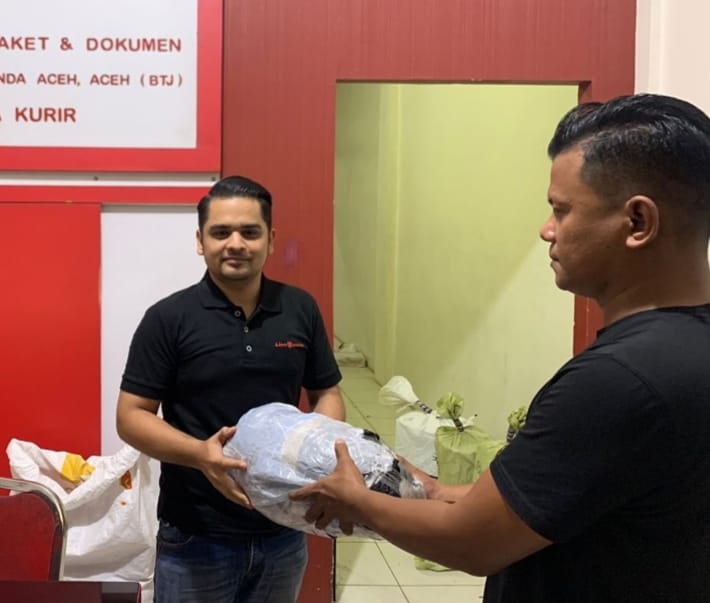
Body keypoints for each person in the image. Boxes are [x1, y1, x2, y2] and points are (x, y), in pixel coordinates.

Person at [290, 93, 710, 602]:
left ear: (638, 222)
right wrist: (433, 489)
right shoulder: (684, 350)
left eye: (562, 210)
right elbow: (551, 495)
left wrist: (356, 502)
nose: (547, 230)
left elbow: (473, 542)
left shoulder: (619, 379)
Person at [116, 175, 346, 603]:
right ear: (200, 241)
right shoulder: (168, 318)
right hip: (195, 536)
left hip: (283, 532)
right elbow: (131, 417)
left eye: (250, 232)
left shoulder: (300, 308)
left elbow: (326, 393)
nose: (235, 244)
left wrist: (318, 454)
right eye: (221, 232)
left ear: (271, 239)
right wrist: (200, 454)